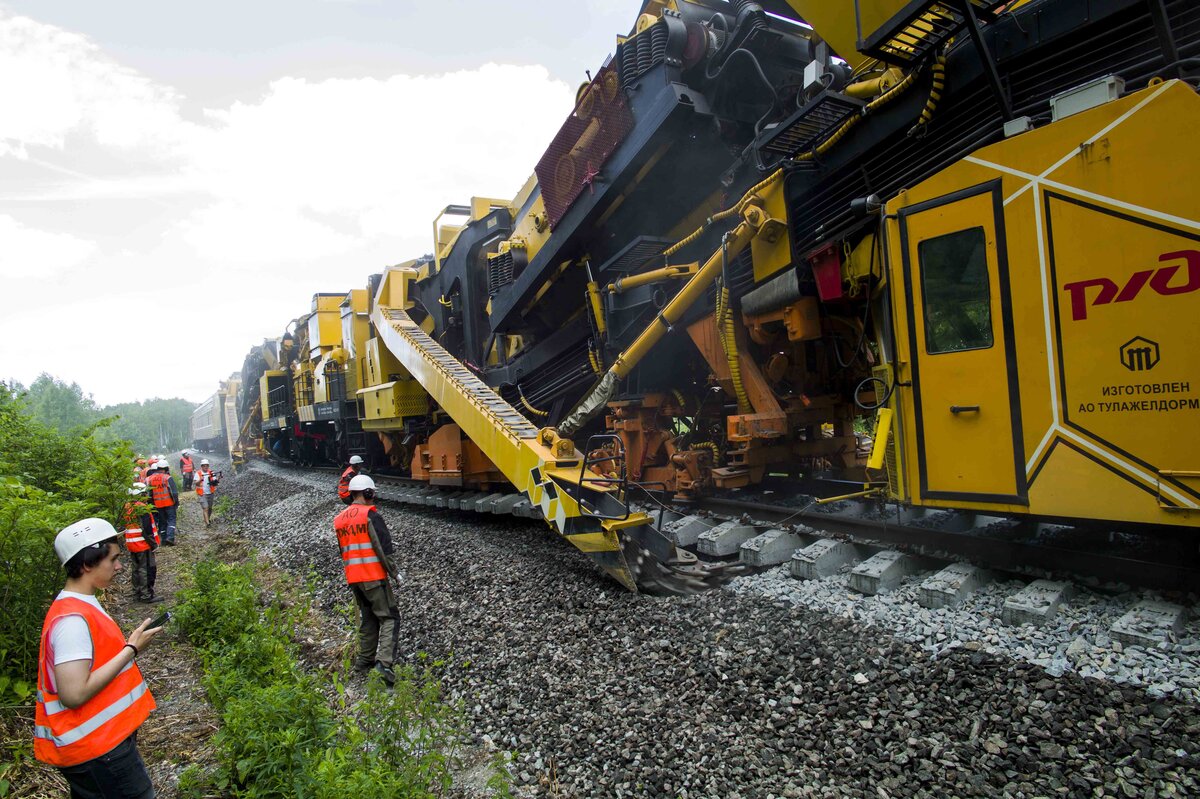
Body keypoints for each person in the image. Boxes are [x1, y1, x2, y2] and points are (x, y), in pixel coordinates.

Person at [34, 517, 164, 797]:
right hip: (97, 750)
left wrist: (130, 646)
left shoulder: (79, 605)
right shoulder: (71, 620)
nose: (119, 566)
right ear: (87, 563)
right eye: (114, 559)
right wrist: (131, 650)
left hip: (101, 745)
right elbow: (73, 693)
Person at [332, 475, 399, 685]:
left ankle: (364, 662)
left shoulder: (340, 520)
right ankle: (384, 665)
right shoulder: (370, 515)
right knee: (389, 617)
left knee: (368, 618)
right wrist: (395, 573)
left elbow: (343, 551)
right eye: (372, 493)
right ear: (368, 493)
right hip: (373, 576)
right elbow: (383, 548)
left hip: (354, 578)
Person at [122, 485, 163, 604]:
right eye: (144, 494)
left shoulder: (127, 507)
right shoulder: (141, 508)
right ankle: (146, 595)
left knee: (136, 569)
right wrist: (154, 544)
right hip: (142, 544)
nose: (146, 496)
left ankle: (136, 593)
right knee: (146, 569)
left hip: (131, 543)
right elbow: (146, 529)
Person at [146, 462, 178, 546]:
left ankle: (163, 540)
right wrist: (176, 503)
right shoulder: (167, 478)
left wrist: (152, 505)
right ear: (166, 468)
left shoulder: (150, 479)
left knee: (162, 522)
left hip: (157, 505)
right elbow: (174, 492)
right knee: (171, 520)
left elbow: (149, 494)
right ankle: (170, 537)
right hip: (169, 503)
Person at [194, 459, 220, 527]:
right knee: (205, 508)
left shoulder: (211, 472)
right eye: (204, 466)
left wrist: (218, 478)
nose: (205, 467)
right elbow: (196, 483)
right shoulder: (198, 473)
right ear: (201, 466)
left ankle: (207, 519)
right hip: (202, 494)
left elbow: (215, 482)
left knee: (210, 508)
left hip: (210, 493)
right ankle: (207, 523)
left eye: (207, 466)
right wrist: (200, 479)